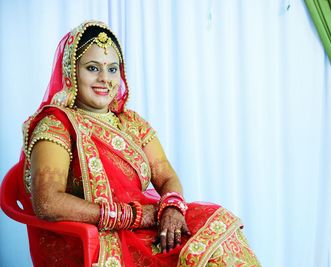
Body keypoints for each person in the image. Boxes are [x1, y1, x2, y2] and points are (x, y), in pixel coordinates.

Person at [19, 20, 260, 266]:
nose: (105, 79)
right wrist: (132, 216)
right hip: (91, 238)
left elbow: (165, 176)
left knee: (219, 236)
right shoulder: (57, 125)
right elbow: (48, 202)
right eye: (93, 68)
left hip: (142, 228)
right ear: (71, 71)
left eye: (112, 69)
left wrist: (172, 208)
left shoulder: (130, 122)